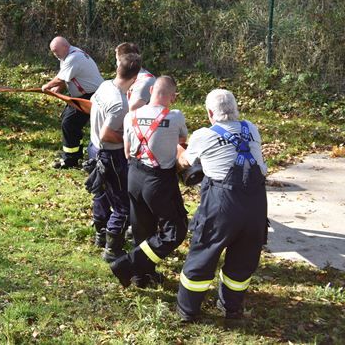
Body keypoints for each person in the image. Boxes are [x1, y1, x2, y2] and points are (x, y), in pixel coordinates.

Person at [175, 89, 268, 322]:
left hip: (222, 205)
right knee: (244, 259)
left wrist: (178, 150)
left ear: (209, 113)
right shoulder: (251, 129)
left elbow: (185, 162)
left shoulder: (203, 135)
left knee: (204, 253)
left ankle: (187, 310)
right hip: (256, 205)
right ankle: (232, 308)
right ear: (236, 110)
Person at [108, 76, 188, 288]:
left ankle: (141, 276)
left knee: (142, 227)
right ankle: (127, 264)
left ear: (151, 90)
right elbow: (182, 142)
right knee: (175, 231)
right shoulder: (176, 116)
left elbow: (127, 151)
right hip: (159, 179)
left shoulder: (130, 116)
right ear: (172, 97)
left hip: (134, 175)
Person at [87, 53, 139, 261]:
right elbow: (106, 134)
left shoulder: (105, 86)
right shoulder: (120, 104)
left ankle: (101, 232)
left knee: (103, 194)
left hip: (95, 149)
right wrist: (129, 137)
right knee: (123, 205)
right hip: (111, 154)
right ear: (135, 78)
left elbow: (93, 105)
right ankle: (113, 249)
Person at [41, 37, 105, 169]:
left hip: (91, 96)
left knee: (69, 123)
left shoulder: (73, 58)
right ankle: (74, 153)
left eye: (56, 51)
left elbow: (60, 78)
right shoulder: (66, 56)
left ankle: (71, 159)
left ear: (65, 46)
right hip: (81, 95)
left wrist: (46, 86)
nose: (55, 54)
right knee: (69, 122)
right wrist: (59, 88)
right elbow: (68, 78)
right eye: (53, 52)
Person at [116, 42, 155, 111]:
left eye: (117, 59)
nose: (116, 63)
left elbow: (133, 109)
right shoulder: (129, 76)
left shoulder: (144, 81)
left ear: (122, 61)